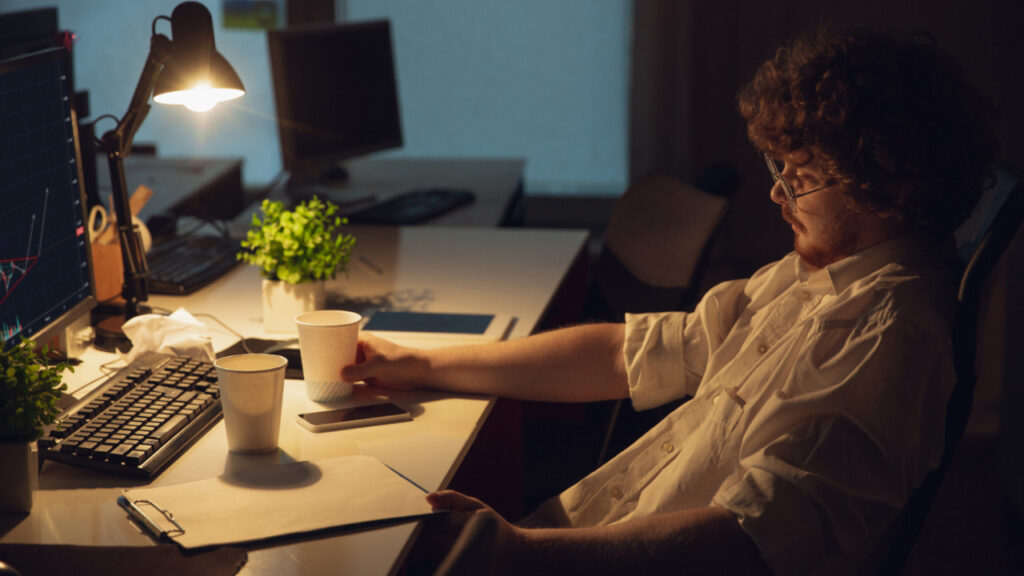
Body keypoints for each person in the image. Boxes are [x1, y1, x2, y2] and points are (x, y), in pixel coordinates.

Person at [342, 26, 998, 575]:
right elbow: (626, 353)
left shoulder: (888, 333)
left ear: (888, 189)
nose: (778, 194)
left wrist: (524, 555)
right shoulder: (811, 277)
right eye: (780, 169)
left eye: (802, 179)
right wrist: (427, 366)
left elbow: (750, 539)